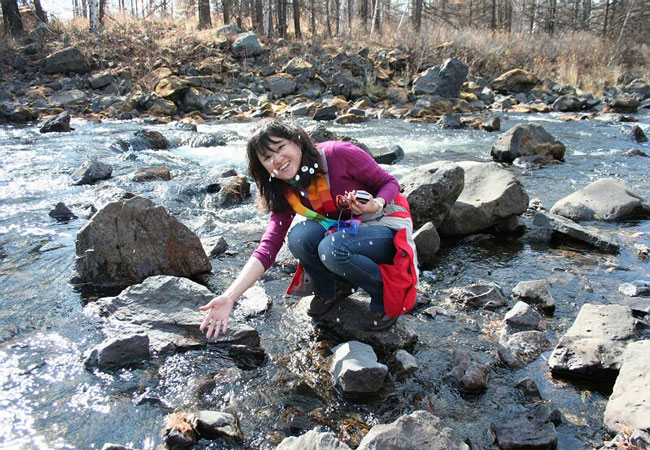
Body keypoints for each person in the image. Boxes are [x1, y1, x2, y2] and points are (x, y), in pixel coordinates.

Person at [199, 119, 418, 339]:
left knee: (332, 249)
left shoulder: (339, 154)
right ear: (262, 166)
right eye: (267, 157)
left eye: (280, 148)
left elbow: (389, 182)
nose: (277, 160)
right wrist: (229, 296)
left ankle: (385, 296)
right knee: (299, 237)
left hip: (385, 223)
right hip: (347, 228)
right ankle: (331, 290)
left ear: (298, 142)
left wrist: (376, 203)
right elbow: (268, 247)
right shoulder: (283, 188)